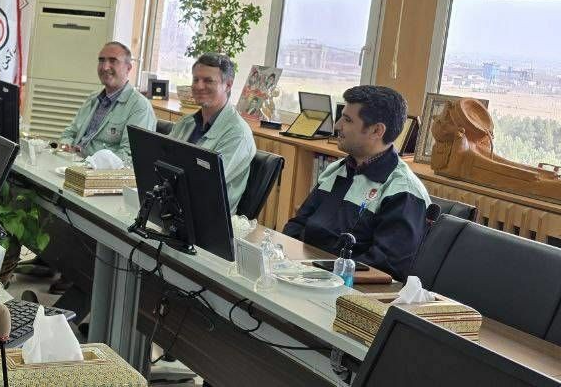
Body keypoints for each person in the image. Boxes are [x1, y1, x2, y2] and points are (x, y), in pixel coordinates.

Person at [283, 85, 429, 280]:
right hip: (304, 274)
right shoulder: (336, 170)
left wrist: (320, 275)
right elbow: (297, 225)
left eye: (347, 120)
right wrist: (286, 263)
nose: (337, 126)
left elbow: (384, 267)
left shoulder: (403, 192)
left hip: (346, 288)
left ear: (377, 130)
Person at [168, 53, 255, 213]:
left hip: (206, 217)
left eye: (208, 81)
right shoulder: (185, 123)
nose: (199, 86)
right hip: (173, 206)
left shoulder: (238, 134)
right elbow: (162, 162)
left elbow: (205, 184)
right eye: (196, 79)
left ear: (228, 85)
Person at [58, 41, 156, 162]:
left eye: (113, 61)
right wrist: (65, 147)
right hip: (71, 163)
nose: (105, 67)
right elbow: (70, 133)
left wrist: (88, 163)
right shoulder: (93, 98)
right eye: (101, 60)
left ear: (128, 68)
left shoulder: (140, 107)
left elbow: (130, 157)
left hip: (98, 171)